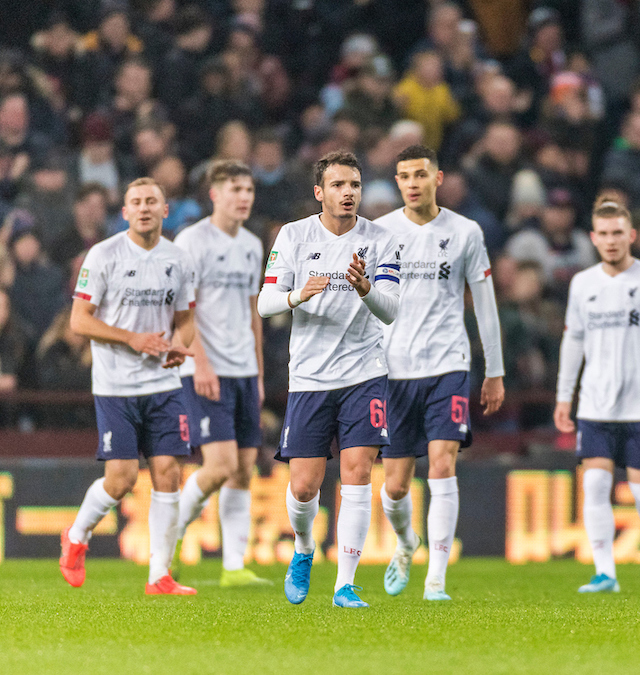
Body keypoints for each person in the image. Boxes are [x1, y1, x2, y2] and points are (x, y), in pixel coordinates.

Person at [257, 151, 401, 609]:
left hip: (364, 372)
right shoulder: (294, 236)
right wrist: (299, 294)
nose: (349, 193)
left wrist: (365, 288)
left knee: (357, 473)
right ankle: (303, 548)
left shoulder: (381, 240)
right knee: (303, 486)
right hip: (310, 377)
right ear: (320, 192)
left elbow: (392, 310)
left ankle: (346, 584)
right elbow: (264, 304)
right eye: (338, 185)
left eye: (354, 184)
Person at [374, 144, 505, 601]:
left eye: (420, 174)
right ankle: (407, 541)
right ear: (397, 183)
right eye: (404, 176)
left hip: (447, 365)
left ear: (438, 178)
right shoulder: (379, 232)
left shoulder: (466, 232)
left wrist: (495, 369)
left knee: (442, 464)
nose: (412, 183)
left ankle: (436, 580)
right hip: (391, 371)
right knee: (393, 488)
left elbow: (484, 302)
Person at [59, 178, 197, 595]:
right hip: (116, 384)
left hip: (163, 383)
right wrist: (132, 338)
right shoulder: (103, 255)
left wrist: (179, 346)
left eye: (151, 201)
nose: (143, 208)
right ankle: (76, 536)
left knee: (168, 474)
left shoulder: (179, 259)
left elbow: (187, 319)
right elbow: (79, 320)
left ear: (165, 209)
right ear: (124, 212)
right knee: (121, 480)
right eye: (135, 202)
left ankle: (159, 576)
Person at [554, 201, 640, 594]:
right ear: (594, 238)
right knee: (595, 486)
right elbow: (574, 339)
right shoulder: (583, 284)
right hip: (596, 406)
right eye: (604, 234)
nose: (611, 241)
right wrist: (565, 396)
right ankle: (605, 573)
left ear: (630, 236)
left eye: (619, 233)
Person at [170, 160, 268, 587]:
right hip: (204, 370)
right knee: (219, 465)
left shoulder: (252, 244)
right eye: (234, 189)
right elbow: (183, 312)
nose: (243, 197)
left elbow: (254, 312)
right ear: (214, 194)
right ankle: (168, 535)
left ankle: (233, 567)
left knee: (244, 469)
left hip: (244, 369)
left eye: (248, 189)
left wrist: (260, 374)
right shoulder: (192, 241)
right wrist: (201, 365)